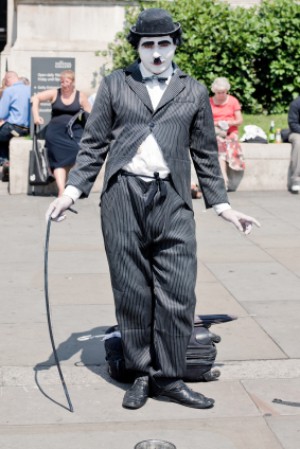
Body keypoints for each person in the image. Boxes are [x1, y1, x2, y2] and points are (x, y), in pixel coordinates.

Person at [46, 8, 260, 410]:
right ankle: (141, 372)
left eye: (164, 43)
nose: (157, 52)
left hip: (173, 200)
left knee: (177, 291)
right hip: (123, 196)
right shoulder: (115, 84)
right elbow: (93, 146)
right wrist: (71, 192)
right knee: (132, 291)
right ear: (138, 49)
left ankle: (171, 377)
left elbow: (205, 154)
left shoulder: (193, 90)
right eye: (149, 45)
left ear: (174, 45)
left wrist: (223, 206)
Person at [31, 70, 91, 196]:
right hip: (55, 133)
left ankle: (73, 187)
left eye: (67, 82)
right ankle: (61, 190)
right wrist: (36, 116)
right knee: (58, 161)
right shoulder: (55, 93)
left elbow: (90, 113)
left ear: (73, 82)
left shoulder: (80, 96)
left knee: (79, 154)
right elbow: (36, 98)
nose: (64, 85)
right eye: (62, 82)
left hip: (74, 132)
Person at [209, 77, 245, 190]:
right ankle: (224, 178)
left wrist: (229, 123)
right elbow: (205, 120)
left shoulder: (233, 101)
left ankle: (225, 178)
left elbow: (239, 121)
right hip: (215, 131)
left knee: (227, 142)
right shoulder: (209, 102)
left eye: (223, 92)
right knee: (219, 143)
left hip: (230, 131)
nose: (221, 95)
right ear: (214, 91)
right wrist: (217, 123)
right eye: (218, 92)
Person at [0, 71, 31, 166]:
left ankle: (4, 161)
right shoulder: (30, 89)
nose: (5, 84)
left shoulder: (9, 91)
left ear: (9, 79)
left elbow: (2, 113)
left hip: (14, 128)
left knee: (2, 135)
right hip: (27, 129)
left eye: (5, 81)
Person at [287, 96, 300, 193]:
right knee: (299, 142)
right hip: (296, 133)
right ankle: (296, 180)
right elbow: (293, 124)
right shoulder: (296, 103)